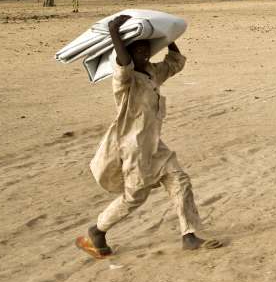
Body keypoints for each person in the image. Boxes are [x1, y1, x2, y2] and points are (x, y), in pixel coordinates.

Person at [75, 14, 221, 258]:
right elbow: (122, 62)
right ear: (128, 54)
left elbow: (175, 62)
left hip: (155, 145)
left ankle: (190, 235)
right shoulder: (125, 81)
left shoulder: (153, 73)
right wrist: (114, 32)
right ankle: (97, 231)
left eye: (146, 48)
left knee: (180, 180)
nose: (143, 52)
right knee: (134, 197)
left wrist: (168, 37)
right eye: (137, 49)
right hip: (133, 148)